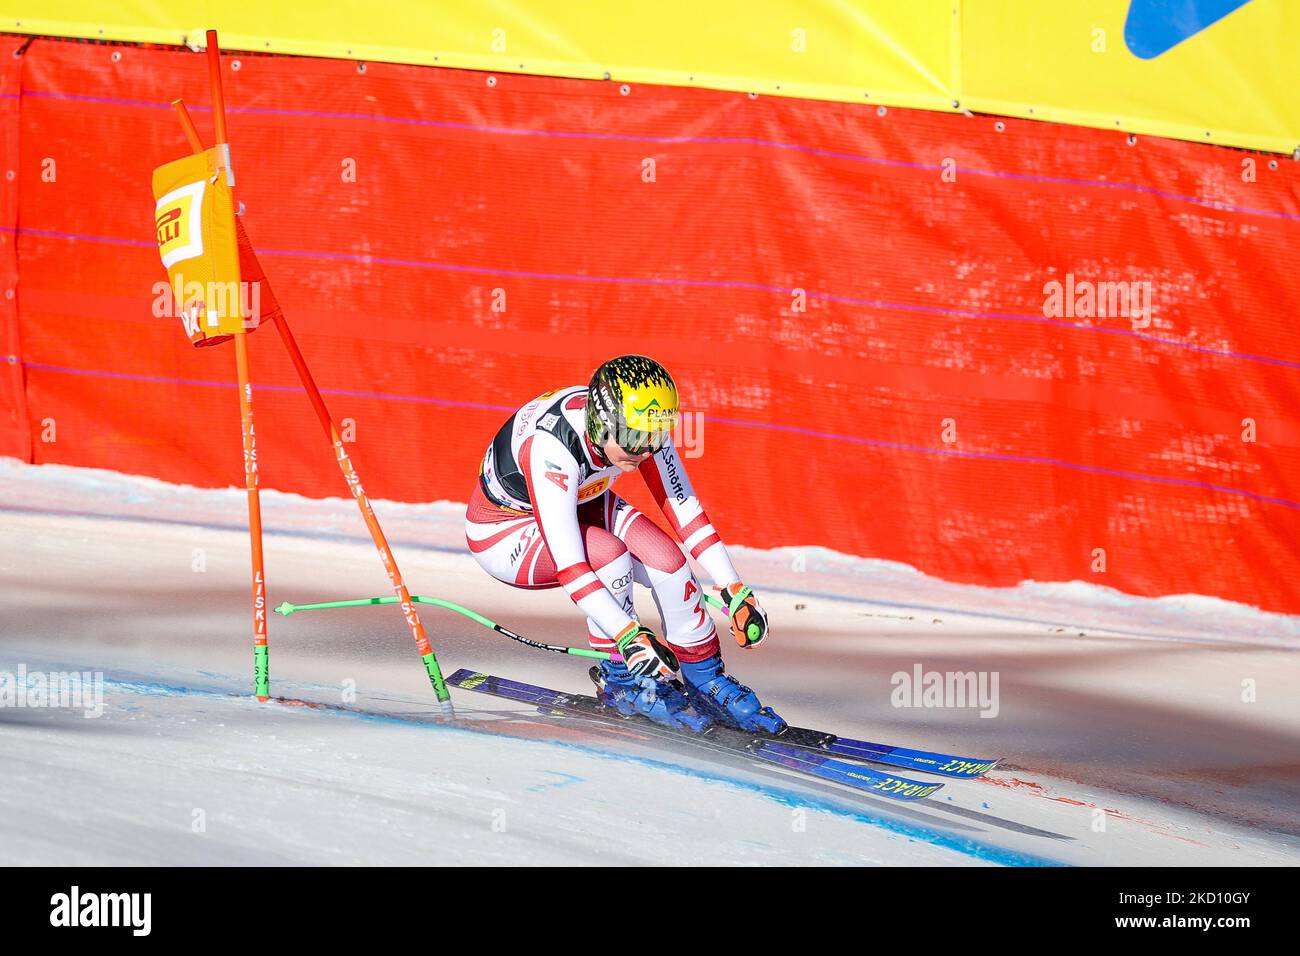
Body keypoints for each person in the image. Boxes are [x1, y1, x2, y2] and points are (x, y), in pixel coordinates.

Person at [464, 354, 784, 734]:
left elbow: (686, 512)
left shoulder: (639, 423)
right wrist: (628, 636)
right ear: (602, 423)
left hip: (582, 498)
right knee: (608, 557)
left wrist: (734, 588)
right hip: (505, 530)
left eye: (657, 438)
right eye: (635, 441)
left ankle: (705, 682)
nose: (646, 451)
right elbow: (571, 566)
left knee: (669, 563)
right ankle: (621, 682)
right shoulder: (551, 449)